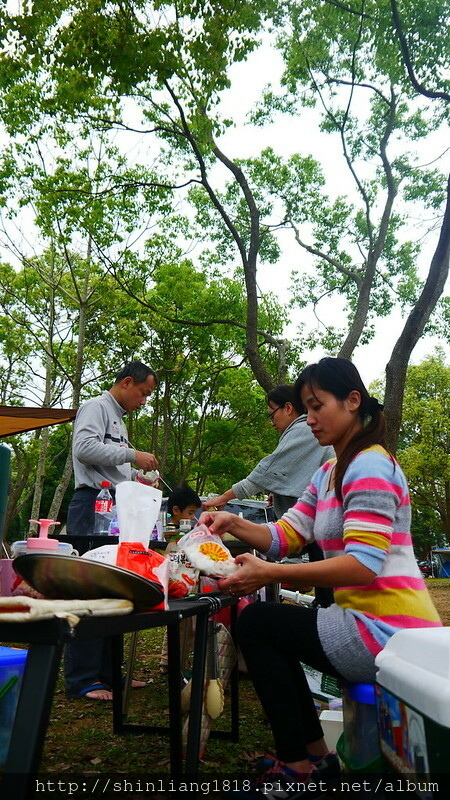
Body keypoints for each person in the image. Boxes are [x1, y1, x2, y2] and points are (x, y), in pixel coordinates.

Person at [200, 357, 442, 797]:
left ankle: (300, 767)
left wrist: (268, 573)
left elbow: (363, 564)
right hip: (358, 621)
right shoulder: (330, 471)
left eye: (316, 406)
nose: (309, 419)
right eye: (304, 408)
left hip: (389, 631)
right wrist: (232, 522)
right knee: (268, 627)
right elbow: (285, 533)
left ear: (353, 402)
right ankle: (316, 759)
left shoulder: (370, 465)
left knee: (260, 624)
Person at [64, 361, 159, 701]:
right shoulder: (96, 407)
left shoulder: (117, 419)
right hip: (91, 505)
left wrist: (138, 478)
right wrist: (134, 455)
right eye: (143, 393)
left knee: (115, 589)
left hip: (114, 508)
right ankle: (83, 678)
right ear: (127, 382)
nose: (144, 401)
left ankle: (108, 673)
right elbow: (84, 449)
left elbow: (115, 466)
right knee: (88, 589)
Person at [202, 384, 334, 606]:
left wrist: (223, 498)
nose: (272, 423)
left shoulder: (302, 429)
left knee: (325, 589)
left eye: (272, 414)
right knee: (325, 591)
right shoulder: (305, 432)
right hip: (315, 525)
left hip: (322, 527)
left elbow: (263, 474)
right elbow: (299, 479)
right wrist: (282, 490)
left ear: (288, 408)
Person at [159, 485, 202, 674]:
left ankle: (173, 662)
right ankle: (170, 662)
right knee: (179, 623)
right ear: (176, 510)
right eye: (190, 513)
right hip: (171, 584)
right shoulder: (166, 531)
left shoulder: (186, 531)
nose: (193, 518)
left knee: (185, 623)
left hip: (186, 583)